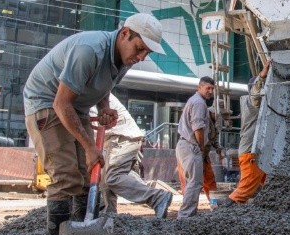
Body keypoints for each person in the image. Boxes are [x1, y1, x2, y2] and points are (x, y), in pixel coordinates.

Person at [23, 12, 166, 235]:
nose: (141, 57)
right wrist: (90, 146)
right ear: (125, 34)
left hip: (76, 107)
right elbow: (61, 103)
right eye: (139, 48)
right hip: (47, 103)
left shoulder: (124, 59)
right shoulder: (89, 50)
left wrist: (104, 107)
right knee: (65, 175)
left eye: (146, 53)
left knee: (87, 176)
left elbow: (102, 85)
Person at [91, 94, 173, 218]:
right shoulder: (82, 91)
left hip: (122, 136)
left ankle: (157, 197)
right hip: (112, 139)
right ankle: (109, 215)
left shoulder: (83, 92)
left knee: (113, 177)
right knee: (105, 179)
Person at [219, 60, 270, 206]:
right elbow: (256, 94)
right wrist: (262, 76)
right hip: (250, 153)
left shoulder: (254, 104)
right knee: (246, 188)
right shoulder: (253, 102)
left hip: (256, 153)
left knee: (268, 184)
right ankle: (226, 208)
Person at [175, 76, 215, 219]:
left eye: (212, 89)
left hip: (185, 145)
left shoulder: (194, 100)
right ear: (200, 87)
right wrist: (201, 147)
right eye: (208, 88)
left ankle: (186, 214)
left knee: (191, 182)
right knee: (195, 182)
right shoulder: (199, 103)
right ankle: (186, 215)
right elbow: (198, 128)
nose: (210, 91)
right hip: (192, 146)